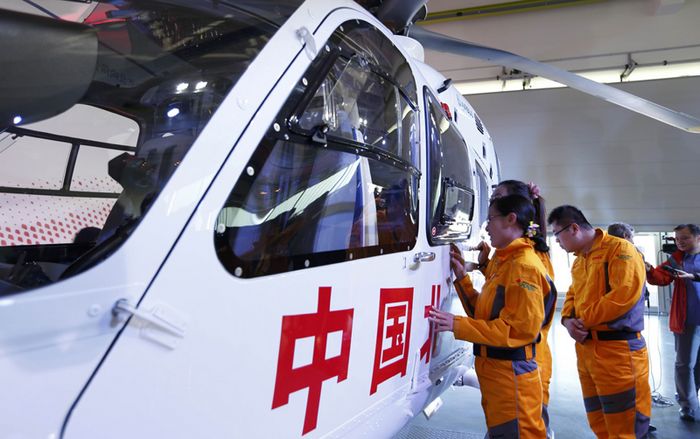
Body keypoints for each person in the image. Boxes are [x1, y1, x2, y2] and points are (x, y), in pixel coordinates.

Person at [430, 195, 551, 438]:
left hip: (511, 377)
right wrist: (462, 277)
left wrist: (457, 325)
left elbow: (516, 331)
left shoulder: (524, 267)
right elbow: (483, 314)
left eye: (490, 219)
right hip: (497, 376)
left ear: (511, 219)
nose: (486, 227)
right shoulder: (504, 261)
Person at [548, 205, 651, 438]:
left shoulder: (620, 249)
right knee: (600, 422)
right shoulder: (579, 260)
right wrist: (567, 321)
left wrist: (582, 322)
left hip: (619, 354)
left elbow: (622, 295)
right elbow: (573, 294)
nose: (556, 241)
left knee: (626, 428)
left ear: (574, 228)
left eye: (557, 235)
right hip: (587, 352)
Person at [468, 179, 556, 436]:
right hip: (510, 366)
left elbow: (518, 326)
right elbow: (501, 298)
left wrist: (456, 325)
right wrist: (483, 268)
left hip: (524, 364)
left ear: (512, 216)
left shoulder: (529, 259)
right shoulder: (509, 254)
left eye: (497, 198)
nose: (491, 202)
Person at [646, 224, 700, 422]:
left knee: (696, 365)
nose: (680, 242)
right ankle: (688, 405)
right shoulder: (677, 259)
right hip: (688, 320)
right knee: (685, 364)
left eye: (684, 238)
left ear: (698, 238)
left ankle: (690, 397)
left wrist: (694, 277)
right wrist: (649, 270)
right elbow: (661, 277)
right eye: (677, 239)